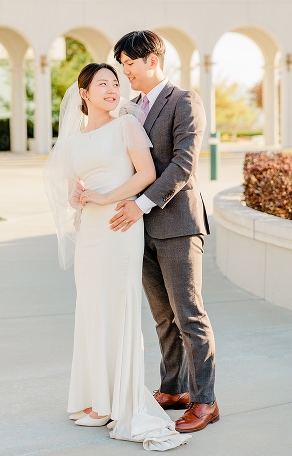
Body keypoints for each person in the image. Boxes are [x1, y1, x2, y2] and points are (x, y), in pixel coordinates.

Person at [44, 62, 190, 450]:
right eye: (102, 84)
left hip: (121, 225)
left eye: (115, 82)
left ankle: (121, 400)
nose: (112, 89)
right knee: (91, 308)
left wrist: (108, 198)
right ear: (84, 94)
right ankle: (97, 399)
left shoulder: (127, 125)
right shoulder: (74, 141)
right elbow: (74, 185)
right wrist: (78, 195)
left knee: (119, 308)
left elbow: (144, 173)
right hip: (91, 231)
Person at [110, 31, 217, 433]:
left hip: (177, 225)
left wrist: (140, 203)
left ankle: (205, 400)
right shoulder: (131, 108)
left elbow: (183, 164)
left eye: (130, 65)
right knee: (162, 317)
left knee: (190, 315)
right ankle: (173, 389)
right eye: (121, 66)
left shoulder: (185, 101)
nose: (125, 73)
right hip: (140, 231)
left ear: (152, 60)